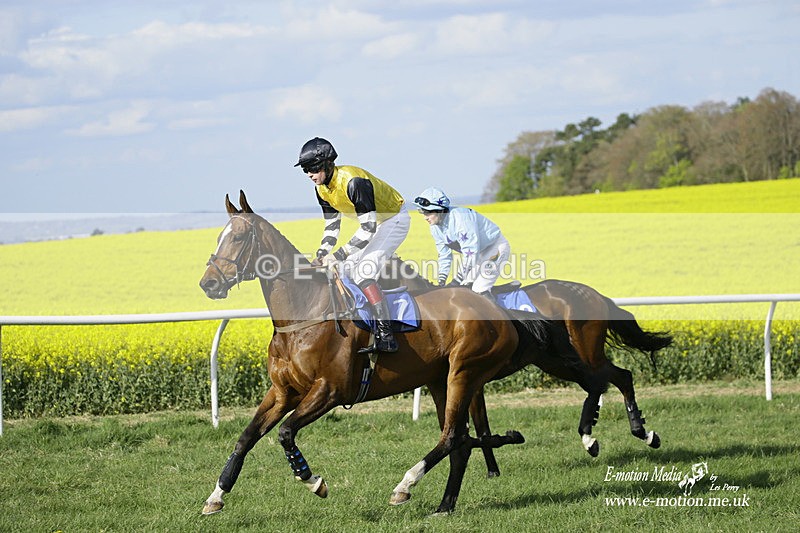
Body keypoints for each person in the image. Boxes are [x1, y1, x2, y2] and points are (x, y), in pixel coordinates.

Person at [295, 137, 409, 352]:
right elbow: (331, 227)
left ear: (328, 164)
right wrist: (322, 253)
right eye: (305, 170)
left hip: (393, 219)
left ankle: (386, 336)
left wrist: (337, 255)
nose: (309, 174)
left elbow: (368, 229)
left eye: (313, 168)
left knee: (364, 273)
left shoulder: (354, 182)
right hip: (374, 224)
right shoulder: (321, 189)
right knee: (342, 270)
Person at [413, 187, 510, 297]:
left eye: (428, 213)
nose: (425, 217)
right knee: (465, 291)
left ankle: (499, 313)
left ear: (440, 210)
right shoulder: (435, 228)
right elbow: (444, 255)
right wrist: (442, 280)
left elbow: (471, 252)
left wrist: (456, 280)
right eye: (422, 212)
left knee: (479, 289)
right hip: (479, 255)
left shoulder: (461, 218)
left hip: (495, 248)